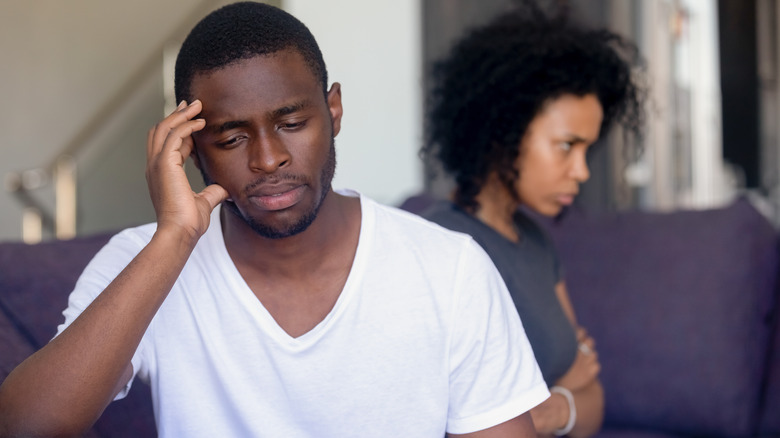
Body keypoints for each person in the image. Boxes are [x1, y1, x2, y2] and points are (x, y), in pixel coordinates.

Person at [0, 2, 552, 437]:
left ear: (333, 111)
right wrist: (175, 239)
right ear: (191, 149)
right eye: (232, 137)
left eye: (291, 122)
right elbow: (26, 427)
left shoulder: (448, 268)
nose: (268, 160)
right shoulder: (142, 261)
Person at [420, 4, 645, 437]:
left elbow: (593, 400)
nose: (582, 171)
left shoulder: (538, 245)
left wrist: (549, 409)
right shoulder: (439, 244)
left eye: (587, 150)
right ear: (503, 133)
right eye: (566, 146)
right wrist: (564, 392)